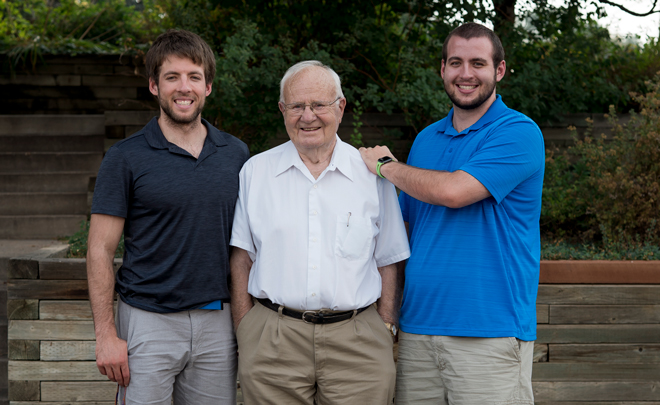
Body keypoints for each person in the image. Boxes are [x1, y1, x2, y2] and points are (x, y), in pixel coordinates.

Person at [360, 22, 544, 405]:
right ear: (442, 69)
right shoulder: (427, 139)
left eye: (478, 63)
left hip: (488, 332)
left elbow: (454, 192)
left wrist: (385, 166)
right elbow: (403, 231)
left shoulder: (518, 132)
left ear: (500, 70)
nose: (465, 74)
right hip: (418, 329)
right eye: (455, 62)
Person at [229, 60, 410, 405]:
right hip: (272, 339)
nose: (307, 116)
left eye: (318, 105)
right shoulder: (256, 171)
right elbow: (242, 258)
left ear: (340, 108)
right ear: (283, 110)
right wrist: (246, 328)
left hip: (357, 341)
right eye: (296, 106)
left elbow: (388, 258)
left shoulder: (372, 173)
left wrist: (386, 325)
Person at [87, 29, 249, 404]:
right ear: (154, 86)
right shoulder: (126, 157)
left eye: (194, 76)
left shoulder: (236, 154)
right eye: (171, 77)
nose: (184, 87)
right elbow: (99, 248)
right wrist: (105, 335)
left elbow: (246, 245)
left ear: (208, 86)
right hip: (147, 321)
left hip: (217, 324)